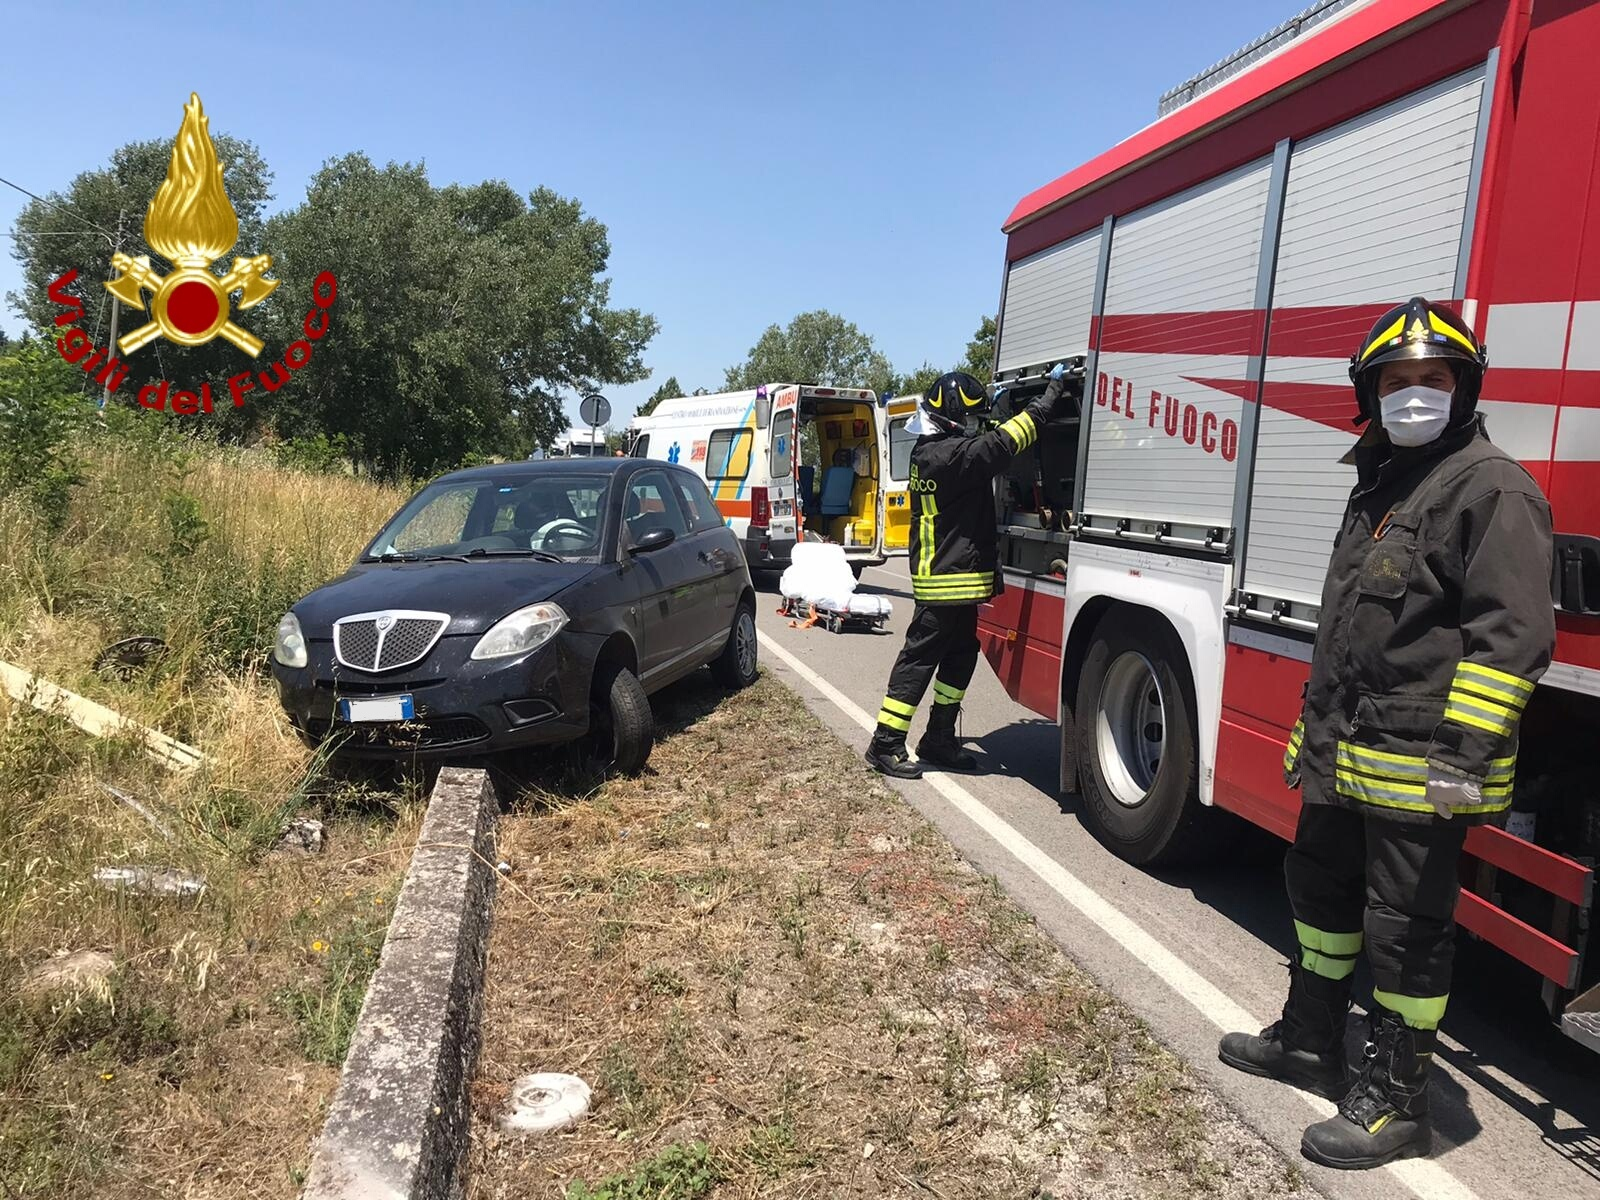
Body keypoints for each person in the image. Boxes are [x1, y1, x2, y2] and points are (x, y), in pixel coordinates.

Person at [1218, 298, 1556, 1170]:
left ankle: (1401, 1104)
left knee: (1405, 928)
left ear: (1464, 387)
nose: (1413, 393)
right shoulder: (1381, 480)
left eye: (1432, 378)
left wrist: (1460, 758)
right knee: (1318, 891)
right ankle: (1310, 1040)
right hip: (1346, 752)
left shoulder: (1491, 488)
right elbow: (1352, 628)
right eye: (1396, 379)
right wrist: (1314, 729)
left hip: (1421, 766)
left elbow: (1513, 639)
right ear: (1370, 392)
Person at [866, 364, 1075, 779]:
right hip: (944, 580)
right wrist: (1049, 397)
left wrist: (995, 409)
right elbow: (1003, 442)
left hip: (954, 580)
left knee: (962, 654)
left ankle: (939, 737)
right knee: (919, 660)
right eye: (971, 418)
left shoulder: (935, 451)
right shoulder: (949, 456)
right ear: (953, 416)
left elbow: (986, 440)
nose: (974, 425)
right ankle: (885, 743)